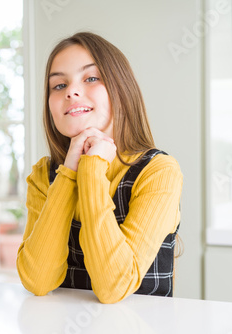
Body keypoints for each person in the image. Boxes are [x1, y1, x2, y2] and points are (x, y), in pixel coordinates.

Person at [16, 31, 183, 304]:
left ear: (121, 88)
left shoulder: (159, 171)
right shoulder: (43, 176)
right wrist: (69, 172)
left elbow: (113, 287)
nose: (71, 91)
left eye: (91, 78)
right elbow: (37, 280)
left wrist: (91, 168)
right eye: (58, 85)